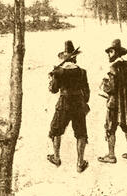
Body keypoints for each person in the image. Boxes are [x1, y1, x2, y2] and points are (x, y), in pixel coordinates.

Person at [47, 40, 90, 173]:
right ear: (75, 57)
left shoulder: (58, 72)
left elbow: (53, 90)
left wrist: (51, 80)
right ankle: (80, 163)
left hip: (64, 103)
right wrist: (84, 102)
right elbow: (87, 92)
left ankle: (56, 157)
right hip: (78, 103)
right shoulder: (82, 72)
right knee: (81, 133)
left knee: (56, 129)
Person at [98, 39, 127, 164]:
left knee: (110, 128)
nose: (109, 55)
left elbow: (111, 88)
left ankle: (111, 156)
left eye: (110, 52)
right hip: (125, 104)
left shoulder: (113, 67)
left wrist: (103, 84)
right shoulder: (126, 66)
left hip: (114, 103)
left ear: (115, 52)